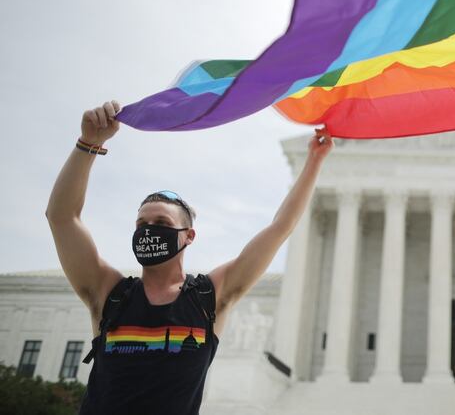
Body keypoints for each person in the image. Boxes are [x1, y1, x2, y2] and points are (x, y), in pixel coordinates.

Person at [45, 100, 332, 414]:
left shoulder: (209, 297)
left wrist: (314, 162)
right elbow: (62, 217)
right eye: (142, 224)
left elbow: (280, 228)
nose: (149, 230)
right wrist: (89, 144)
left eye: (162, 224)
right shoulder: (109, 294)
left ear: (188, 236)